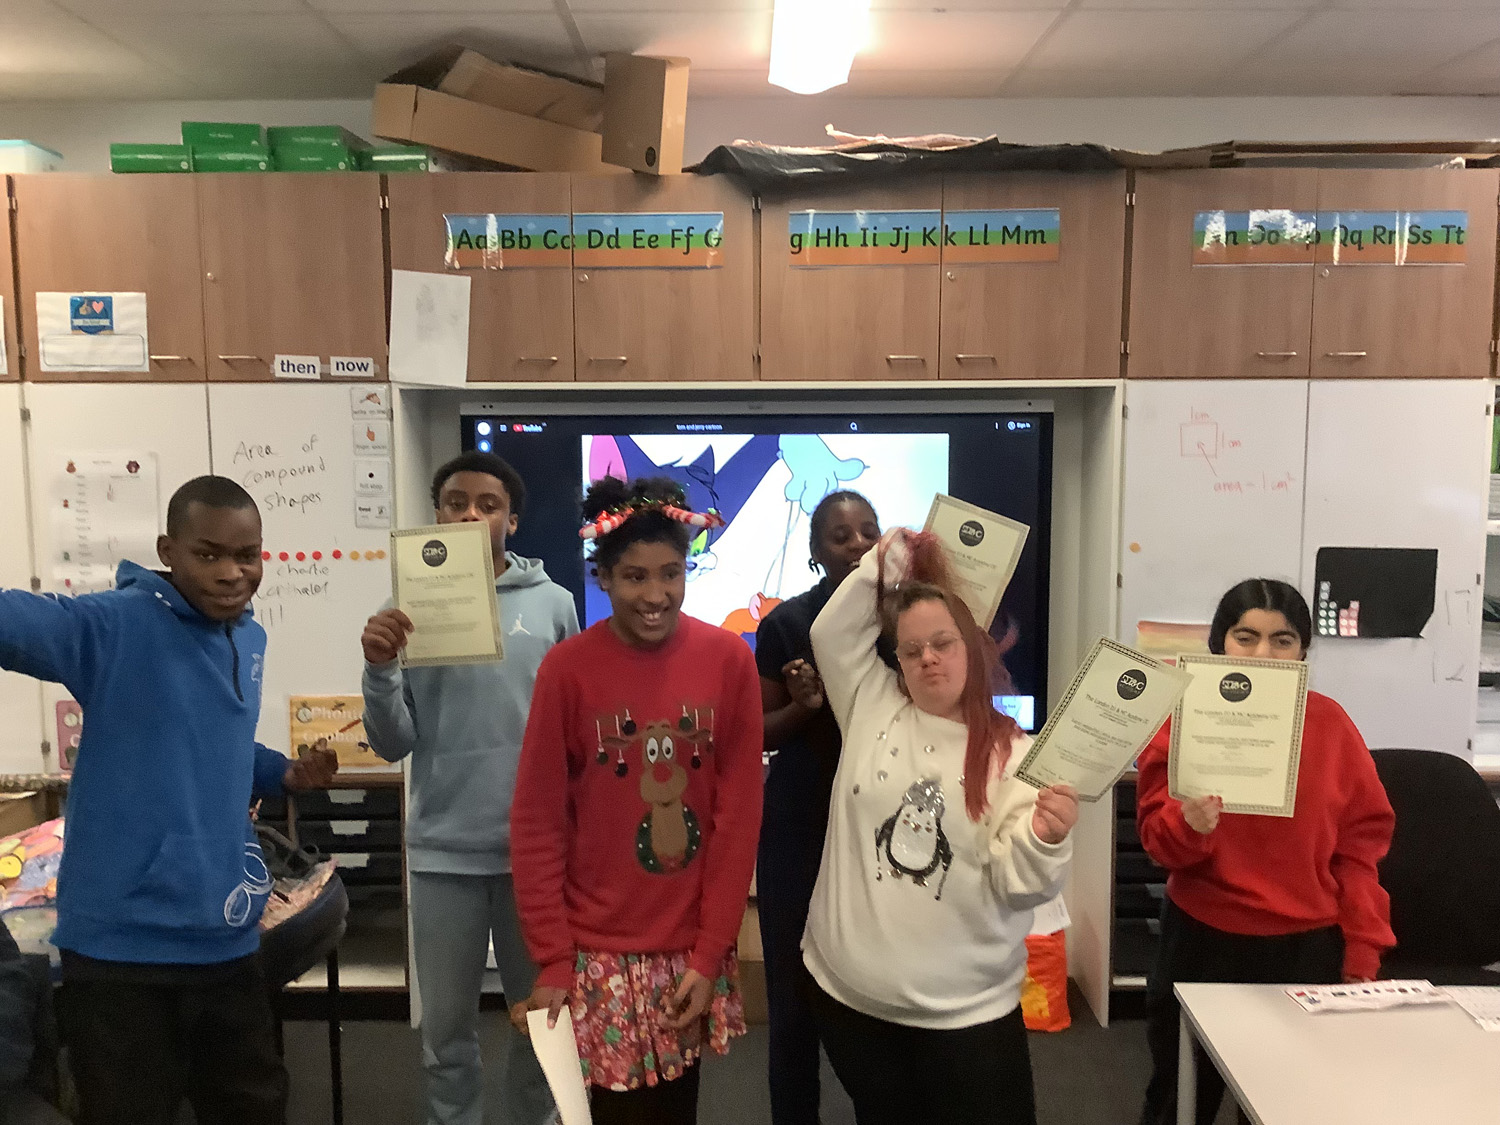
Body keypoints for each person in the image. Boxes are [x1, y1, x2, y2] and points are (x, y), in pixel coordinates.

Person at [0, 475, 338, 1125]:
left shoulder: (248, 636)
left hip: (226, 942)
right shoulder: (115, 624)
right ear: (168, 549)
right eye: (207, 554)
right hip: (121, 953)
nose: (231, 573)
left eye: (248, 555)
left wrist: (285, 774)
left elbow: (219, 737)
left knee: (253, 1106)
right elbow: (19, 621)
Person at [803, 526, 1078, 1125]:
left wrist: (1044, 840)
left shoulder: (1015, 756)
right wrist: (899, 553)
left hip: (967, 1021)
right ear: (896, 660)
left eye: (943, 642)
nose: (928, 657)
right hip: (851, 1006)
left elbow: (1020, 887)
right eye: (911, 649)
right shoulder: (870, 705)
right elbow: (829, 632)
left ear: (973, 648)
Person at [511, 475, 763, 1125]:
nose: (656, 595)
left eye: (671, 573)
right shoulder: (566, 669)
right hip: (595, 956)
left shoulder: (729, 661)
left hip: (687, 950)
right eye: (633, 576)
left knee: (677, 1110)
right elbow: (538, 821)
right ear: (601, 575)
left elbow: (737, 822)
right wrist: (553, 958)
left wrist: (711, 952)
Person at [362, 451, 578, 1125]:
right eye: (456, 502)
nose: (470, 514)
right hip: (443, 854)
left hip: (534, 860)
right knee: (446, 1034)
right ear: (437, 516)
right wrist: (378, 666)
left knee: (543, 1024)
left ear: (511, 520)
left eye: (487, 504)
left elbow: (577, 727)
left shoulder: (554, 604)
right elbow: (393, 740)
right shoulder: (403, 608)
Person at [1135, 578, 1396, 1125]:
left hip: (1304, 948)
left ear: (1303, 650)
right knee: (1180, 1101)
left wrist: (1361, 953)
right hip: (1202, 942)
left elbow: (1359, 852)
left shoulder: (1330, 725)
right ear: (1219, 643)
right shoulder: (1185, 718)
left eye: (1283, 640)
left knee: (1287, 1105)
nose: (1263, 654)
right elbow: (1159, 846)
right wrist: (1189, 824)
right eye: (1245, 636)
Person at [754, 490, 879, 1125]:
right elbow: (760, 731)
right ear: (813, 550)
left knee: (873, 1011)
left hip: (879, 832)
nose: (856, 545)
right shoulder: (785, 624)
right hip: (800, 828)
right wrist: (803, 707)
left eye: (867, 532)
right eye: (839, 535)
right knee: (794, 1011)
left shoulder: (903, 620)